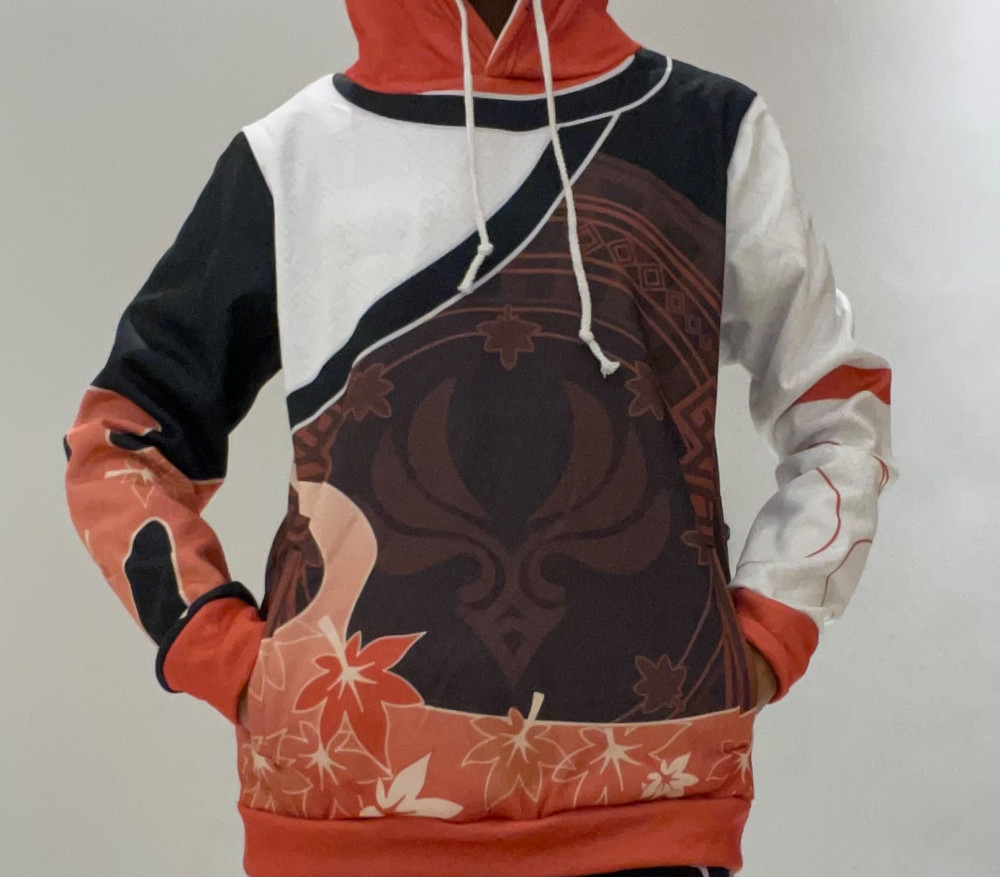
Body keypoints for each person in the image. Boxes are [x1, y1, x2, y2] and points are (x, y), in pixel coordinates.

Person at [62, 0, 899, 875]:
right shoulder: (293, 157)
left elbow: (838, 407)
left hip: (648, 809)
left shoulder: (709, 134)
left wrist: (767, 634)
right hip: (345, 817)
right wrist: (228, 658)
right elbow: (119, 437)